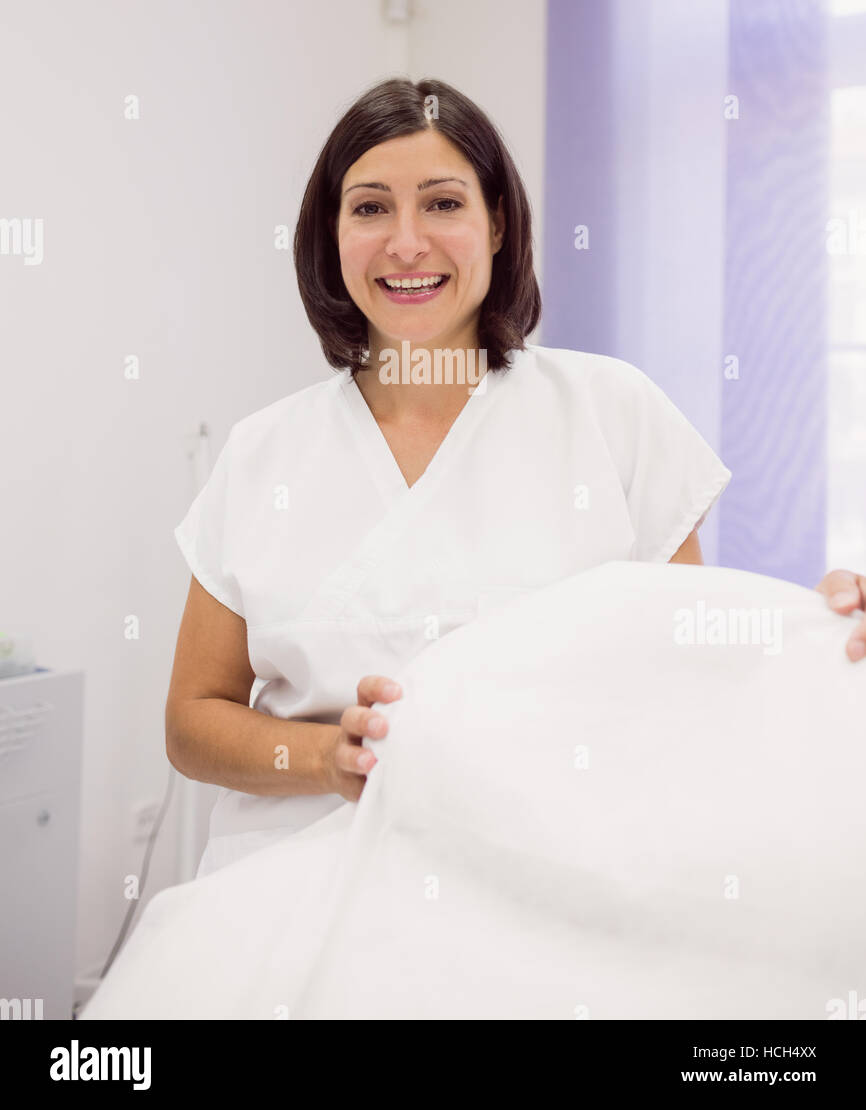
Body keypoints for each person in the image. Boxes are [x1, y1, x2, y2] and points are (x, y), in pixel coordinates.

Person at [165, 77, 866, 878]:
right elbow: (193, 719)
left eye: (441, 203)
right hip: (297, 873)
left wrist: (820, 633)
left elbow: (694, 667)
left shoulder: (611, 413)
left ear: (496, 224)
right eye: (369, 208)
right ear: (331, 235)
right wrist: (327, 758)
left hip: (552, 868)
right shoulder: (265, 456)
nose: (405, 243)